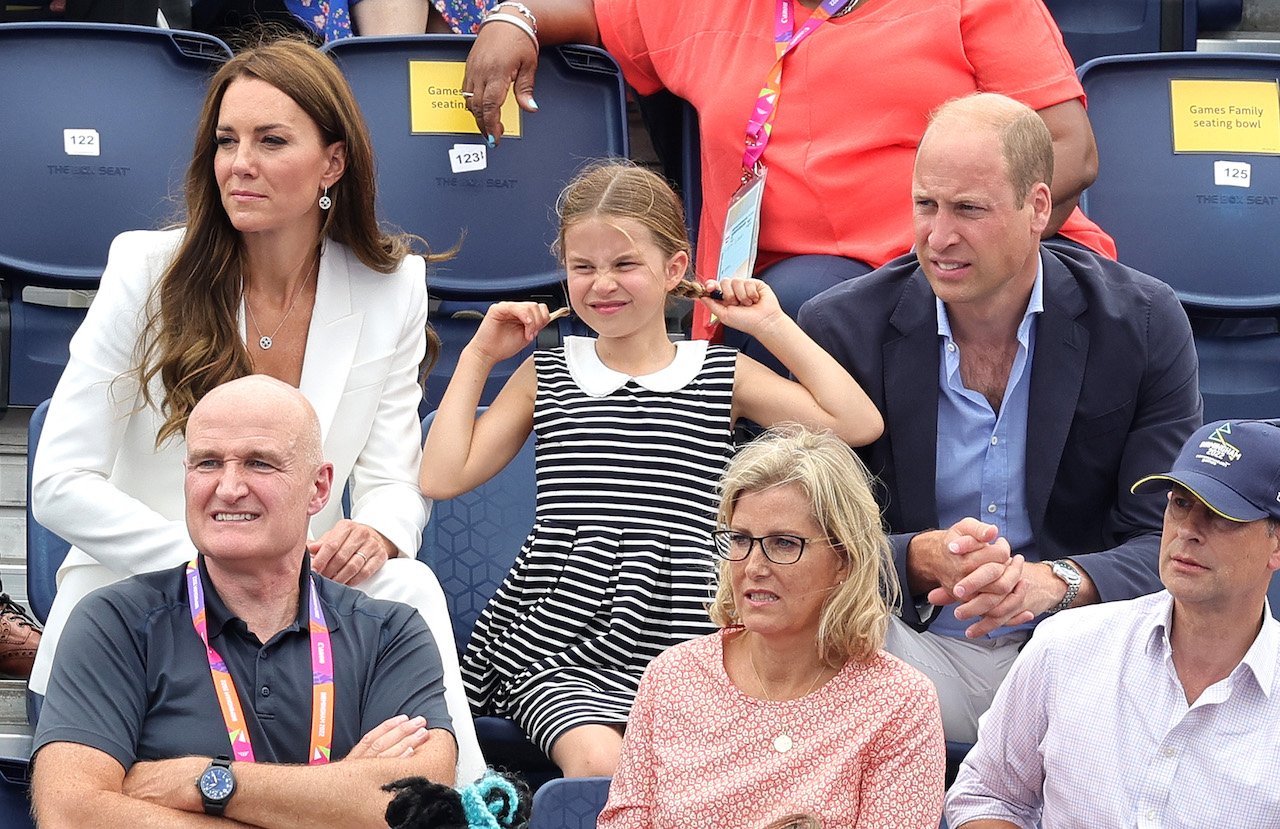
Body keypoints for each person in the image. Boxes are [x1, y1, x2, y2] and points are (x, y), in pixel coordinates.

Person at [28, 38, 484, 782]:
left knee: (411, 584)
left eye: (272, 141)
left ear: (332, 162)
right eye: (227, 141)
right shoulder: (147, 269)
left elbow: (393, 479)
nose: (241, 162)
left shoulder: (391, 285)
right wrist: (206, 564)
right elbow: (57, 483)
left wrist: (379, 531)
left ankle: (458, 801)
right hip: (149, 583)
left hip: (304, 596)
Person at [420, 161, 883, 777]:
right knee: (600, 762)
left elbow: (857, 424)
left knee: (709, 766)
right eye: (583, 267)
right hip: (560, 637)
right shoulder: (548, 371)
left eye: (624, 264)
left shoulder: (722, 371)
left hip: (691, 625)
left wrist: (771, 325)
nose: (602, 284)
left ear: (673, 269)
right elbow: (442, 477)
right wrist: (480, 353)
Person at [798, 92, 1202, 743]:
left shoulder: (1142, 323)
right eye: (925, 205)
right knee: (797, 626)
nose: (938, 236)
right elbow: (795, 541)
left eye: (968, 209)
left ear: (1038, 206)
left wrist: (1055, 583)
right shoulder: (842, 327)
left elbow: (1166, 535)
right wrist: (916, 558)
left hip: (1081, 654)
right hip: (901, 648)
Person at [460, 0, 1115, 367]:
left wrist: (951, 261)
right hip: (791, 300)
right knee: (797, 311)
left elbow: (1069, 152)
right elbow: (594, 12)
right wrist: (514, 20)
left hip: (975, 266)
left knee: (813, 308)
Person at [31, 376, 457, 826]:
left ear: (318, 488)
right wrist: (341, 797)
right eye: (208, 463)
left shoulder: (390, 631)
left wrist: (200, 781)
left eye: (259, 463)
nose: (229, 487)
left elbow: (422, 803)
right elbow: (73, 814)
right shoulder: (114, 623)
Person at [598, 426, 944, 828]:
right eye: (740, 539)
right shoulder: (673, 676)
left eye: (783, 543)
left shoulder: (898, 703)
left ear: (844, 559)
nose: (754, 567)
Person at [946, 419, 1280, 827]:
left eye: (1222, 514)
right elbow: (988, 796)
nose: (1188, 530)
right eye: (1180, 503)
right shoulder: (1064, 646)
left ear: (1276, 545)